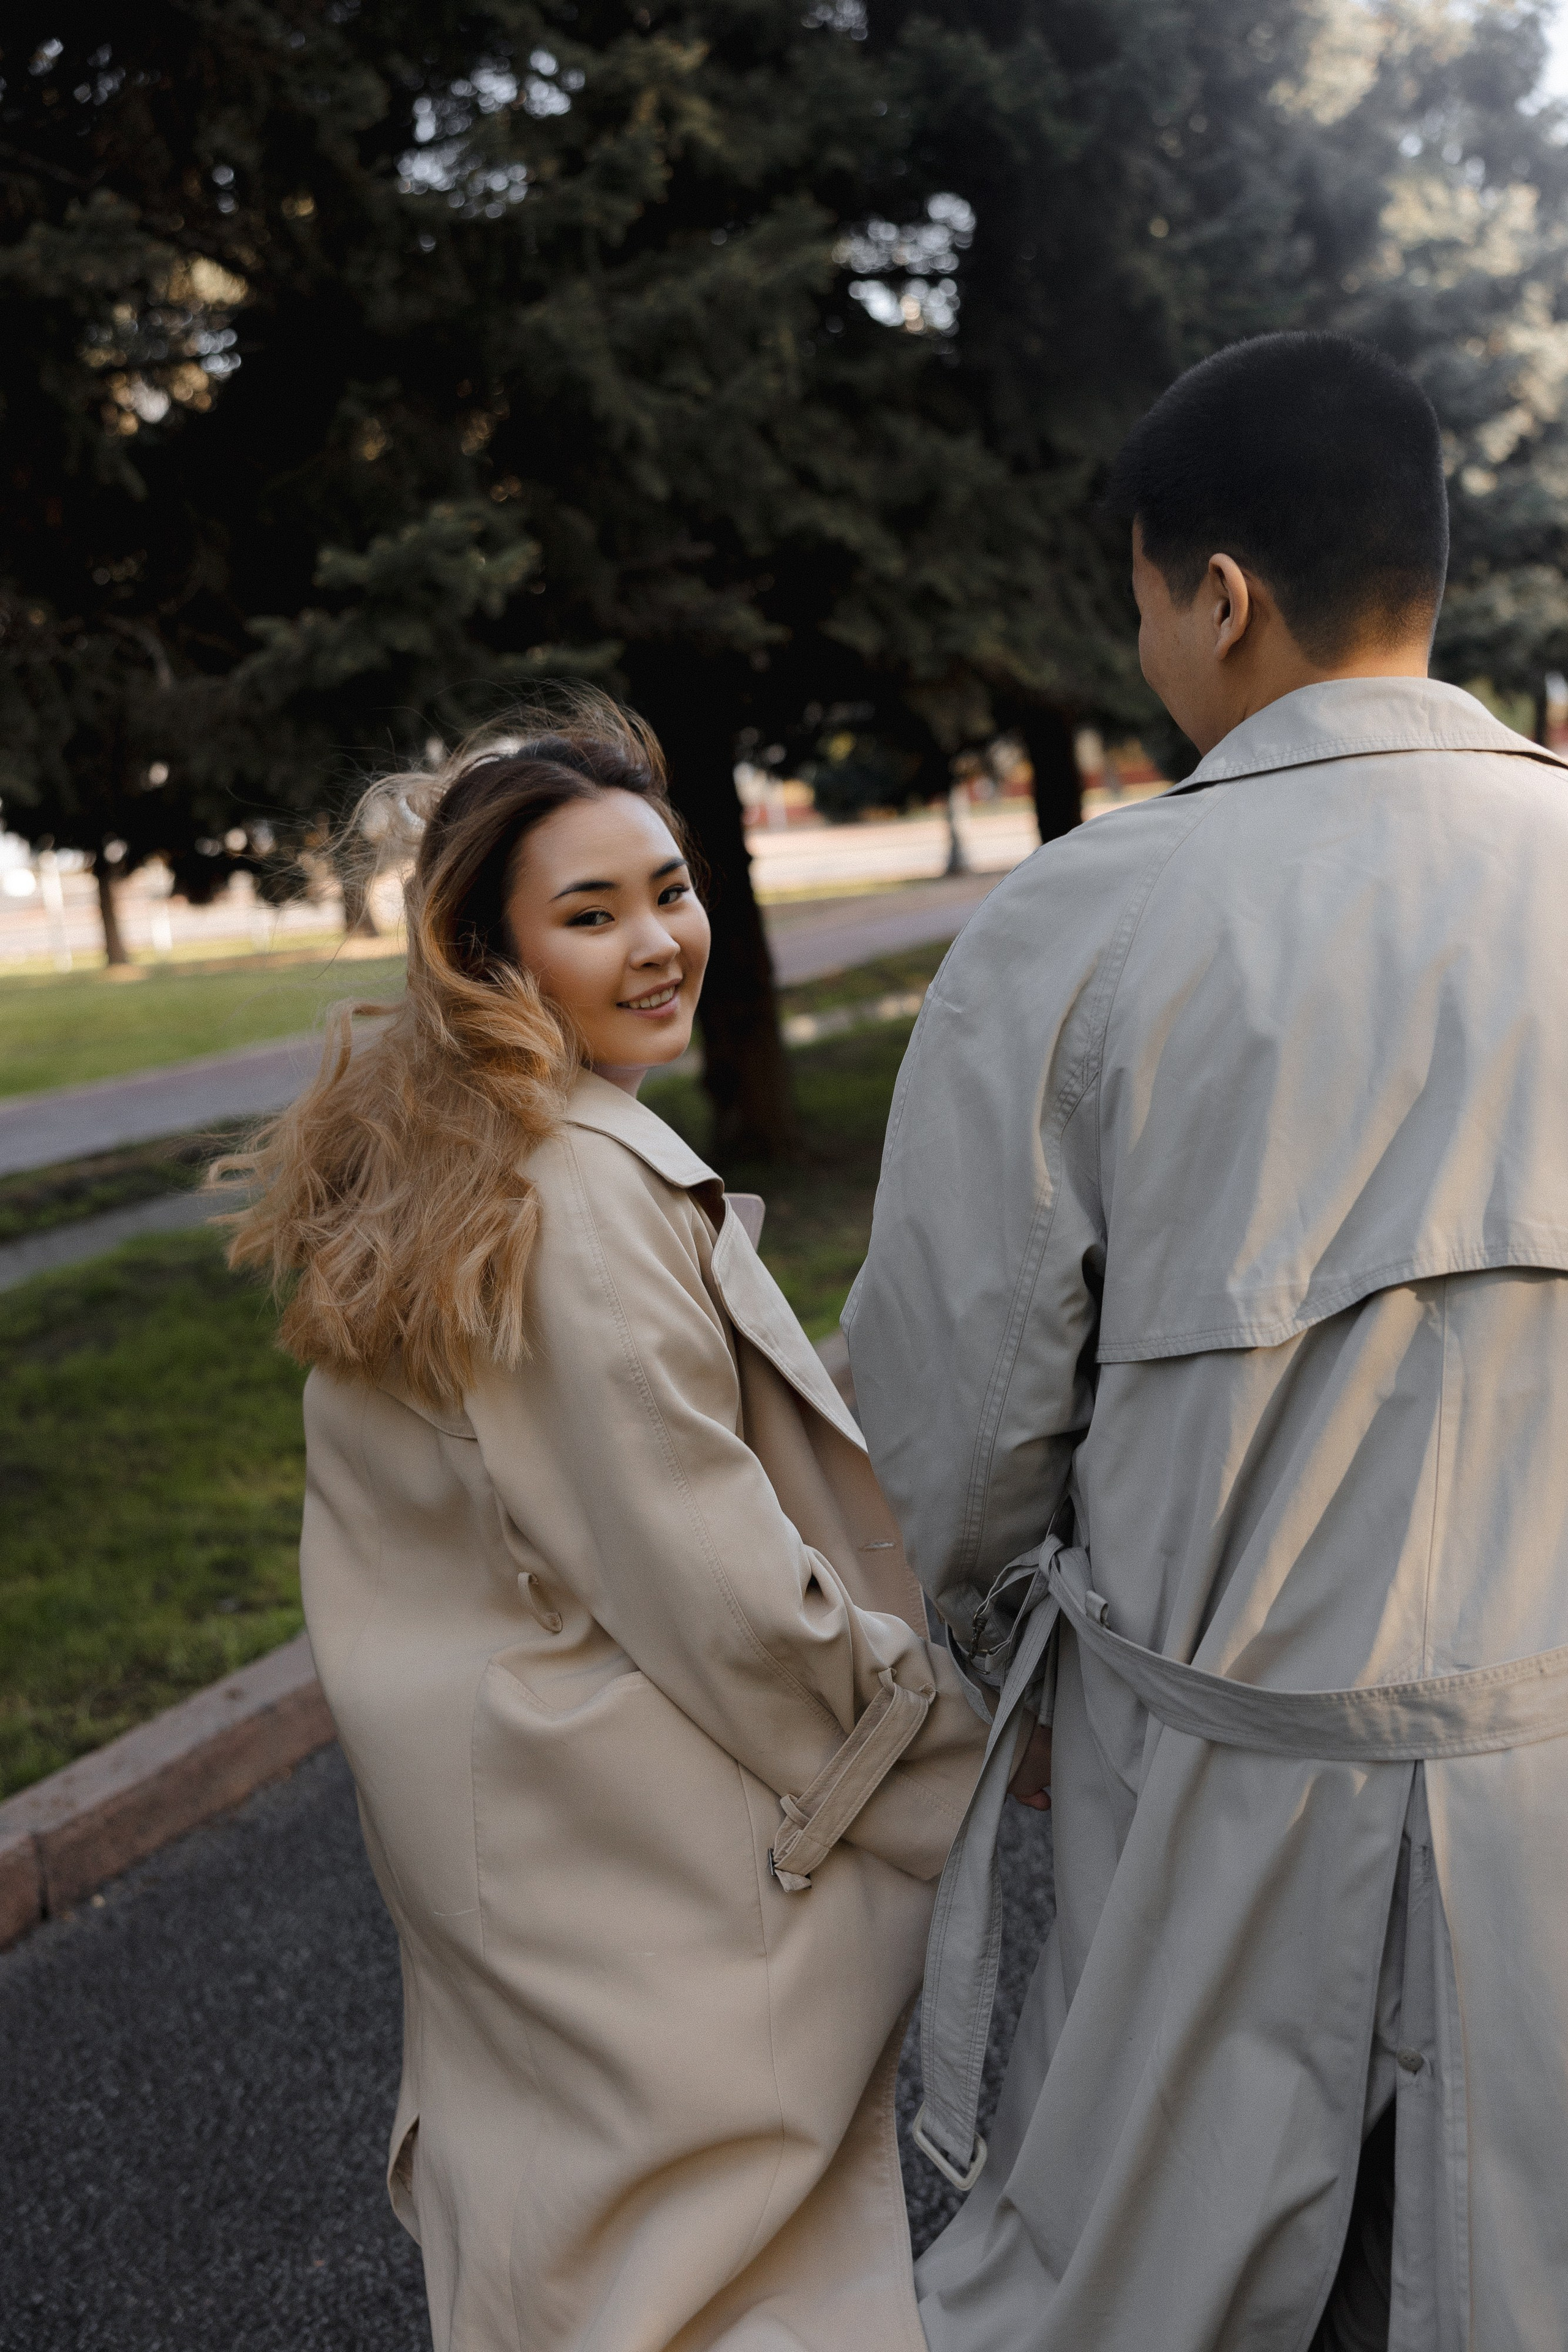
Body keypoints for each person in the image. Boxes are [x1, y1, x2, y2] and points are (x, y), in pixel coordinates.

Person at [845, 334, 1568, 2350]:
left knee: (1198, 2282)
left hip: (1217, 1816)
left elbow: (944, 1434)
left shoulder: (1085, 925)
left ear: (1217, 594)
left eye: (1144, 595)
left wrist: (998, 1669)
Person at [222, 694, 987, 2352]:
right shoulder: (566, 1194)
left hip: (534, 1851)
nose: (659, 942)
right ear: (487, 956)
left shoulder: (466, 1161)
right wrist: (953, 1751)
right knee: (722, 2286)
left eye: (673, 886)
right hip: (651, 1871)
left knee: (585, 2269)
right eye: (590, 913)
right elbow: (717, 1588)